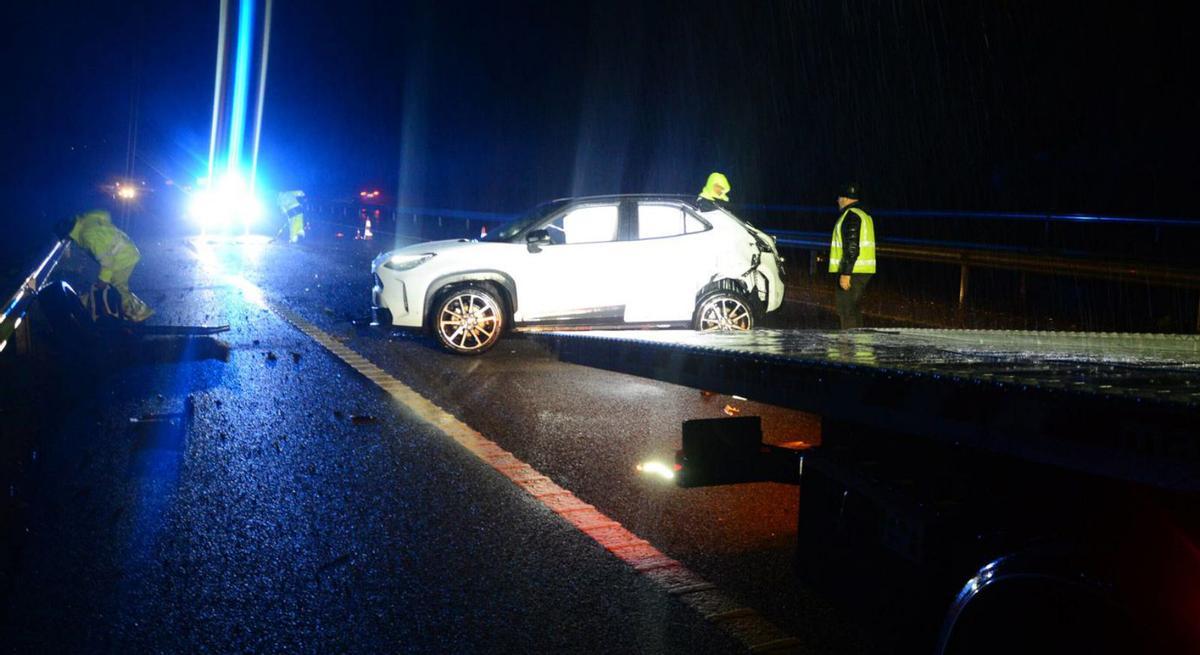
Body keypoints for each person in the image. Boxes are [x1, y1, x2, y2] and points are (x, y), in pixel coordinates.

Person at [54, 209, 154, 322]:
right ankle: (84, 305)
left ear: (69, 234)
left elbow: (107, 262)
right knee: (111, 287)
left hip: (123, 259)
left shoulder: (88, 235)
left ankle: (141, 315)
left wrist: (103, 280)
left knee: (118, 289)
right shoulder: (87, 220)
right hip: (126, 250)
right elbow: (104, 214)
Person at [828, 182, 876, 329]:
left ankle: (847, 348)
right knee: (853, 309)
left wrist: (846, 273)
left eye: (839, 197)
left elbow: (852, 247)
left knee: (846, 310)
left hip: (853, 270)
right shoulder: (863, 214)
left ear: (845, 198)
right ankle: (857, 347)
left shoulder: (851, 216)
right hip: (861, 270)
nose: (837, 200)